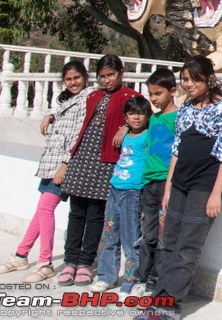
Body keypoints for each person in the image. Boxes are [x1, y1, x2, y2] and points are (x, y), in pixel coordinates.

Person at [141, 55, 222, 320]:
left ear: (209, 78)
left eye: (194, 78)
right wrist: (169, 187)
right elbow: (177, 150)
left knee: (187, 247)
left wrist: (216, 192)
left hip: (203, 186)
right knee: (169, 242)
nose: (189, 84)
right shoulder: (185, 108)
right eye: (185, 79)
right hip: (180, 183)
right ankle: (158, 299)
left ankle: (169, 305)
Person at [0, 61, 91, 283]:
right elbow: (63, 118)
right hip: (51, 162)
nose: (73, 82)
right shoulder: (67, 100)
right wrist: (51, 116)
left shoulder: (87, 99)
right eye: (68, 79)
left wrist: (65, 165)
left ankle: (45, 263)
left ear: (85, 77)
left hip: (65, 165)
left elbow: (78, 135)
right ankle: (21, 254)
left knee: (46, 208)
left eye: (77, 78)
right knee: (41, 210)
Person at [58, 54, 140, 287]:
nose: (106, 80)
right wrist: (52, 115)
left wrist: (125, 126)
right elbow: (71, 111)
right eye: (102, 76)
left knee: (95, 215)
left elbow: (143, 117)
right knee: (76, 213)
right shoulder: (93, 95)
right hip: (82, 158)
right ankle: (70, 261)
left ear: (121, 73)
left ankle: (85, 263)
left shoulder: (130, 97)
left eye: (110, 75)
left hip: (106, 162)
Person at [89, 95, 152, 296]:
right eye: (132, 113)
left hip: (133, 193)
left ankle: (131, 282)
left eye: (141, 113)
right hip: (115, 189)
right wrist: (123, 128)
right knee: (109, 236)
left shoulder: (148, 135)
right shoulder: (124, 135)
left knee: (131, 239)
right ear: (125, 117)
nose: (136, 117)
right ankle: (107, 277)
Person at [131, 68, 179, 297]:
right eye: (151, 94)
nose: (154, 98)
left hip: (165, 183)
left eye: (158, 93)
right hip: (149, 181)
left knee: (162, 235)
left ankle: (155, 280)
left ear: (173, 91)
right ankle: (141, 277)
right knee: (147, 233)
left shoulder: (177, 118)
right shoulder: (154, 118)